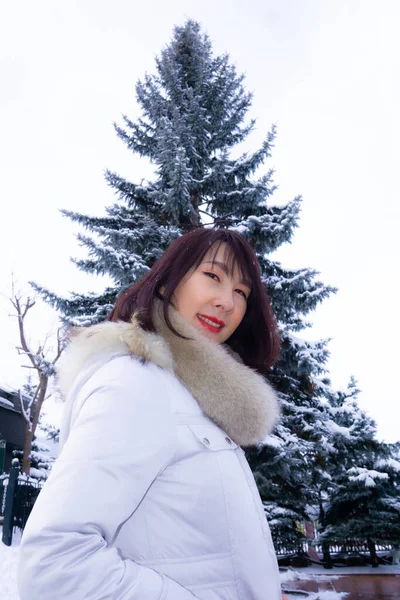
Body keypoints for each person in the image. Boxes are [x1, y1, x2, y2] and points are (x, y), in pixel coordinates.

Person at [18, 227, 284, 600]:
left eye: (242, 292)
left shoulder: (190, 399)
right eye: (212, 276)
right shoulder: (136, 380)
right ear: (166, 284)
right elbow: (54, 563)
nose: (228, 302)